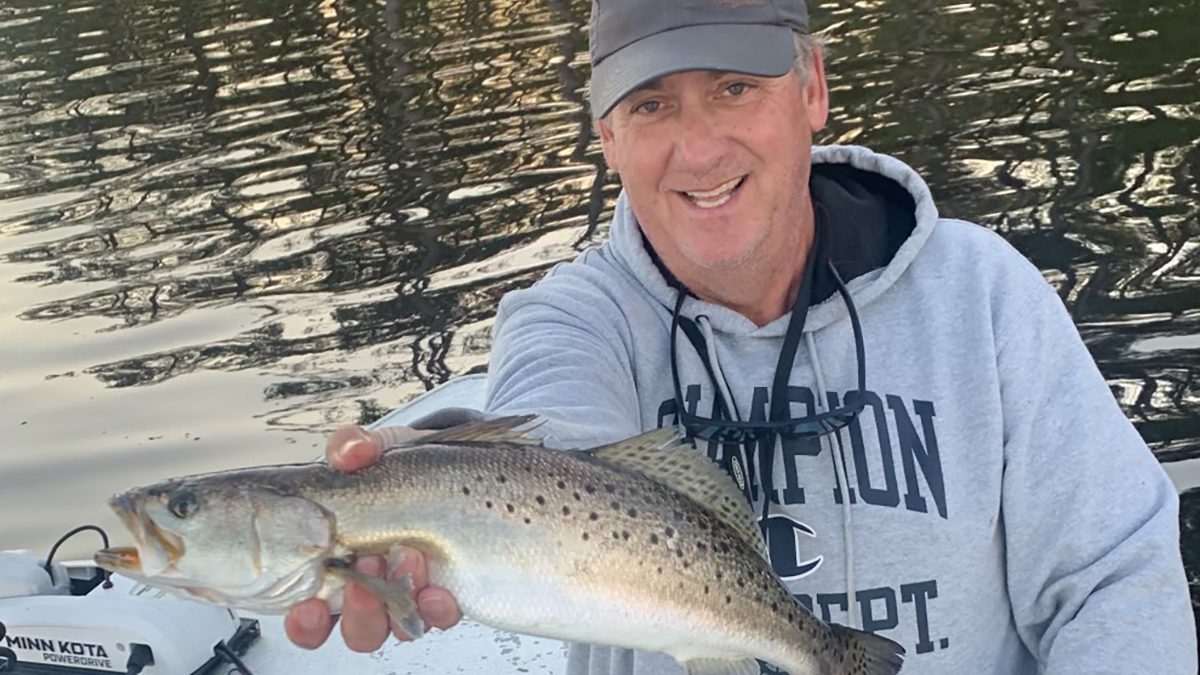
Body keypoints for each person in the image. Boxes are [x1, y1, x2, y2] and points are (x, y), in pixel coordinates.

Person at [285, 0, 1198, 672]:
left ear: (812, 91)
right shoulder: (570, 319)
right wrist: (436, 471)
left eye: (734, 88)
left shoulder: (983, 292)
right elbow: (552, 436)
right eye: (652, 106)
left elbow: (1113, 572)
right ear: (608, 136)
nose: (701, 148)